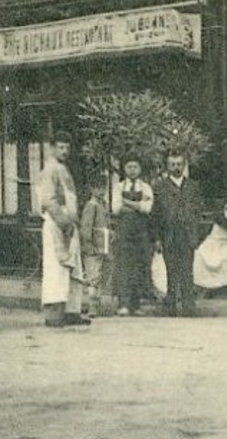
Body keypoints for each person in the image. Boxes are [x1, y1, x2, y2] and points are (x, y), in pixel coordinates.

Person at [36, 136, 90, 328]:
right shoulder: (49, 170)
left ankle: (71, 310)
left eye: (67, 147)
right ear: (52, 148)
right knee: (56, 267)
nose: (65, 151)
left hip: (69, 222)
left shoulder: (63, 169)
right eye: (60, 147)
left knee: (74, 267)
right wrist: (64, 223)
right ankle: (53, 313)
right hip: (56, 222)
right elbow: (49, 201)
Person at [151, 151, 205, 316]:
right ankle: (171, 307)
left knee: (187, 271)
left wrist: (196, 234)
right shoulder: (160, 188)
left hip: (187, 235)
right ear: (167, 166)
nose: (176, 168)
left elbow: (198, 212)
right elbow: (155, 215)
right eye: (172, 164)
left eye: (179, 164)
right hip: (169, 235)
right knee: (171, 271)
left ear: (184, 165)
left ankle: (189, 307)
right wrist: (157, 239)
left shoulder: (193, 187)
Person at [112, 156, 154, 316]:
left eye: (135, 167)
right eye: (129, 167)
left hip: (141, 231)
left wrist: (127, 203)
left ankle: (136, 305)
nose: (132, 170)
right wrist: (137, 206)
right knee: (124, 265)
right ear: (124, 169)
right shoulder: (118, 186)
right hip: (124, 231)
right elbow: (116, 208)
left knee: (139, 265)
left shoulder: (146, 187)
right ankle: (123, 304)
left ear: (140, 169)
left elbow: (148, 208)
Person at [79, 174, 111, 317]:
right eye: (97, 187)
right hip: (93, 247)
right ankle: (91, 305)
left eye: (103, 187)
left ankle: (95, 304)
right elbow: (86, 227)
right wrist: (88, 244)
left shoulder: (103, 204)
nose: (101, 190)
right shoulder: (91, 205)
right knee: (92, 276)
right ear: (91, 188)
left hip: (102, 246)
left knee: (100, 276)